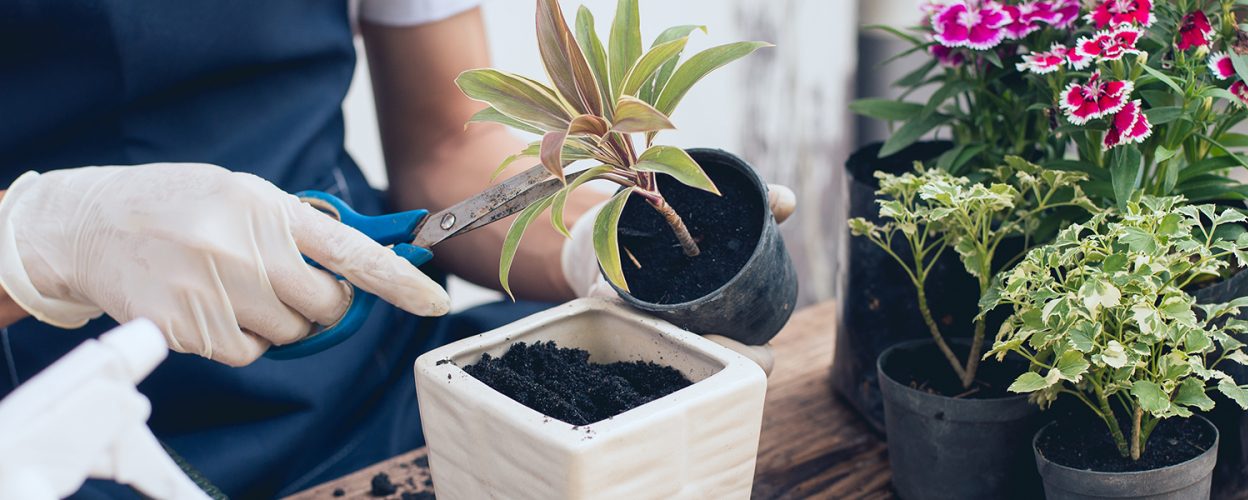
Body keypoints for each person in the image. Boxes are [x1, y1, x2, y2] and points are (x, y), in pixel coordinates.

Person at [0, 1, 793, 497]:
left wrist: (590, 251)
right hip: (40, 417)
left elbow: (447, 147)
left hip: (363, 374)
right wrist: (44, 239)